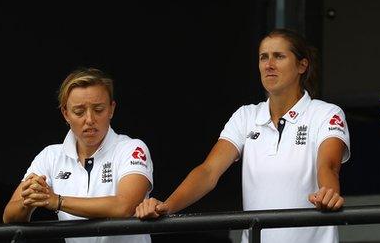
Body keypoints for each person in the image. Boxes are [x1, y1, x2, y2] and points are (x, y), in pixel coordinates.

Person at [135, 28, 351, 243]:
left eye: (279, 56)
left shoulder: (326, 113)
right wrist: (167, 206)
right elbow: (209, 171)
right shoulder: (245, 116)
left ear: (302, 65)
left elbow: (329, 166)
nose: (269, 65)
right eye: (263, 57)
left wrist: (328, 193)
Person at [3, 67, 154, 243]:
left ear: (111, 109)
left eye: (98, 109)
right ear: (65, 113)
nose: (89, 119)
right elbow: (9, 217)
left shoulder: (132, 148)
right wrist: (28, 201)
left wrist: (58, 201)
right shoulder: (50, 156)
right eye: (79, 112)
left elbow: (124, 206)